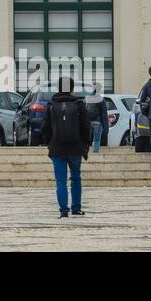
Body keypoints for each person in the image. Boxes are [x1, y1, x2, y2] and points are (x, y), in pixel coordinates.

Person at [42, 76, 89, 218]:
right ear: (72, 88)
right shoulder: (79, 104)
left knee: (60, 181)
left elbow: (45, 128)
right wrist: (85, 144)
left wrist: (49, 143)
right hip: (75, 148)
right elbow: (86, 127)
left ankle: (63, 209)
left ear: (58, 88)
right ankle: (76, 208)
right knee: (76, 178)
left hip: (57, 148)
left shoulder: (51, 105)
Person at [84, 83, 108, 154]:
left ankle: (86, 151)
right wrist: (105, 128)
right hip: (97, 121)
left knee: (87, 137)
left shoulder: (87, 98)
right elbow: (104, 115)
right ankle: (95, 152)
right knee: (96, 138)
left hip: (88, 121)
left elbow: (83, 110)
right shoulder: (101, 99)